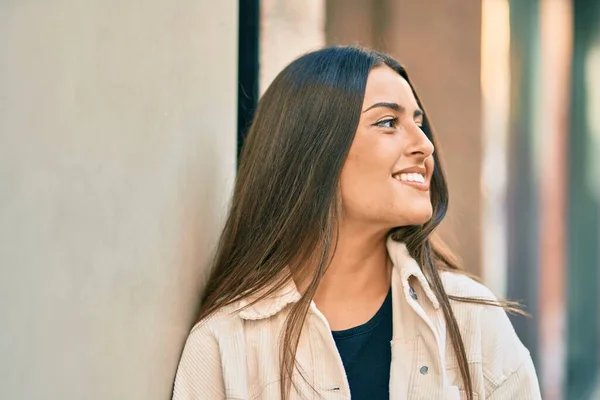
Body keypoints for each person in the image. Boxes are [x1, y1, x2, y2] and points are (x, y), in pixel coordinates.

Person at [172, 46, 541, 400]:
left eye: (418, 122)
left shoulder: (472, 320)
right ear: (313, 152)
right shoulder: (222, 346)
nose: (425, 145)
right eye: (387, 122)